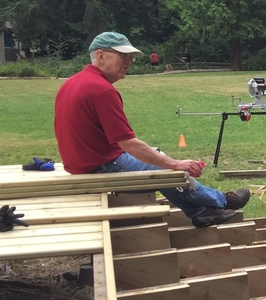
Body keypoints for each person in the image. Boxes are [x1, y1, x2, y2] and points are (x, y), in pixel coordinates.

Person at [54, 32, 250, 228]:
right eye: (123, 56)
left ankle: (200, 212)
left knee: (157, 156)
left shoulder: (71, 83)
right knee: (167, 169)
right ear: (101, 56)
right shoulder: (102, 90)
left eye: (130, 57)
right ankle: (222, 201)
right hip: (102, 165)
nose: (129, 61)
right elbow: (128, 143)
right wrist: (176, 163)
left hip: (79, 164)